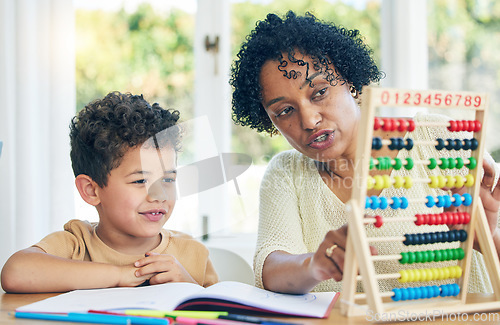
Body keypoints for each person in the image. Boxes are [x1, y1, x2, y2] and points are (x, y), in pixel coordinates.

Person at [230, 11, 500, 294]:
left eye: (319, 92)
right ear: (270, 123)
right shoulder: (286, 173)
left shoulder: (438, 139)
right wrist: (314, 265)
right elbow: (271, 268)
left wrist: (488, 235)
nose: (309, 121)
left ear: (351, 82)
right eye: (285, 111)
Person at [1, 92, 218, 293]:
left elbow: (226, 313)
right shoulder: (76, 245)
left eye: (168, 179)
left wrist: (189, 286)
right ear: (91, 190)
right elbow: (15, 272)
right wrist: (121, 275)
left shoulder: (193, 255)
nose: (159, 195)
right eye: (140, 180)